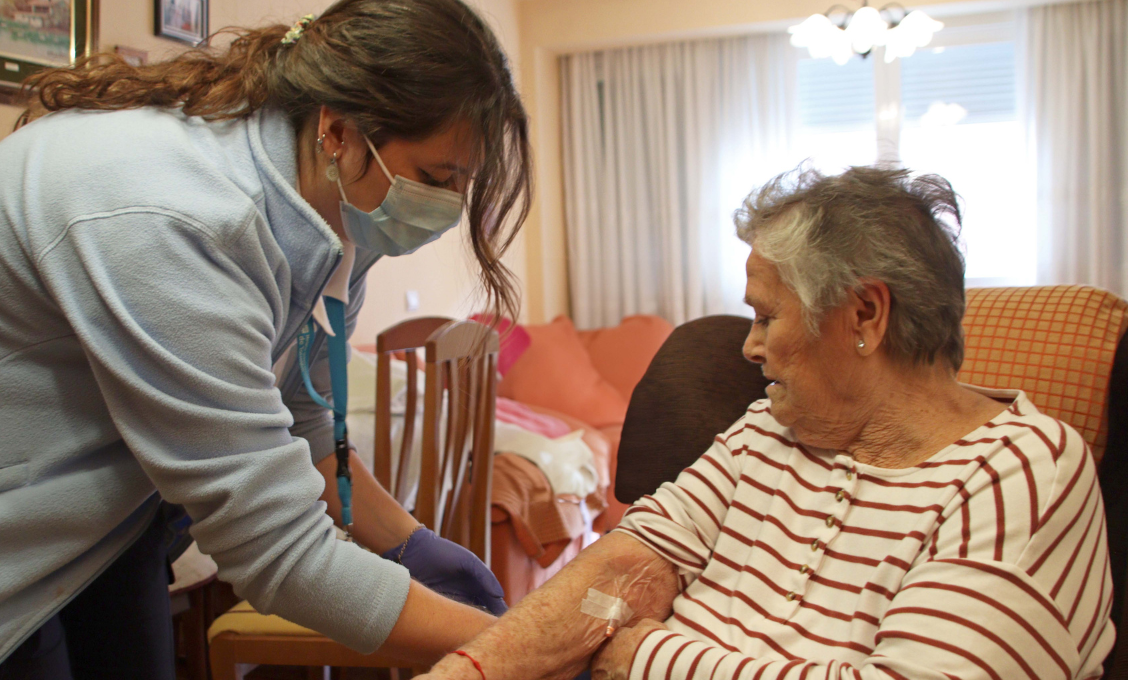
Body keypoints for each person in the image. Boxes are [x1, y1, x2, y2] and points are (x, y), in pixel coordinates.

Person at [0, 1, 531, 678]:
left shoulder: (340, 214)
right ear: (339, 129)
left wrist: (408, 542)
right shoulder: (172, 216)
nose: (446, 209)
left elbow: (305, 420)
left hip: (103, 521)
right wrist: (525, 649)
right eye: (436, 180)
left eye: (463, 184)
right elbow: (281, 555)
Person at [412, 166, 1116, 680]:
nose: (749, 347)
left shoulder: (1018, 473)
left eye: (767, 316)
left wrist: (648, 656)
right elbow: (629, 563)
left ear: (865, 316)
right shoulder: (770, 429)